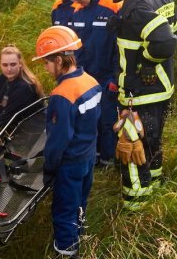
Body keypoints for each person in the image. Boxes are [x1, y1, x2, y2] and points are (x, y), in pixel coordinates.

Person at [105, 0, 177, 210]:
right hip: (163, 87)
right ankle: (155, 188)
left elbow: (164, 41)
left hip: (140, 92)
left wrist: (147, 64)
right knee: (153, 141)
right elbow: (176, 32)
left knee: (132, 146)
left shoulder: (136, 3)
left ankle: (136, 205)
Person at [32, 26, 101, 257]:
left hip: (69, 164)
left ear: (60, 59)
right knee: (81, 201)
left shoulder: (62, 95)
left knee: (64, 210)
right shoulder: (91, 81)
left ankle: (66, 251)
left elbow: (57, 141)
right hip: (88, 156)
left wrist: (49, 168)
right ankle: (79, 234)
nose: (45, 68)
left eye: (47, 62)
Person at [59, 0, 123, 167]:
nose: (75, 2)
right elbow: (76, 46)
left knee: (108, 119)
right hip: (85, 77)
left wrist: (116, 78)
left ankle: (108, 159)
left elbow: (121, 48)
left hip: (108, 76)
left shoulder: (114, 5)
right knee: (88, 118)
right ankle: (93, 156)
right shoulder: (78, 11)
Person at [0, 45, 44, 130]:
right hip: (8, 127)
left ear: (20, 64)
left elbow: (7, 117)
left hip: (27, 133)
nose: (9, 69)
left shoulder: (26, 87)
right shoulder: (2, 79)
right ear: (0, 65)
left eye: (13, 64)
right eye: (5, 65)